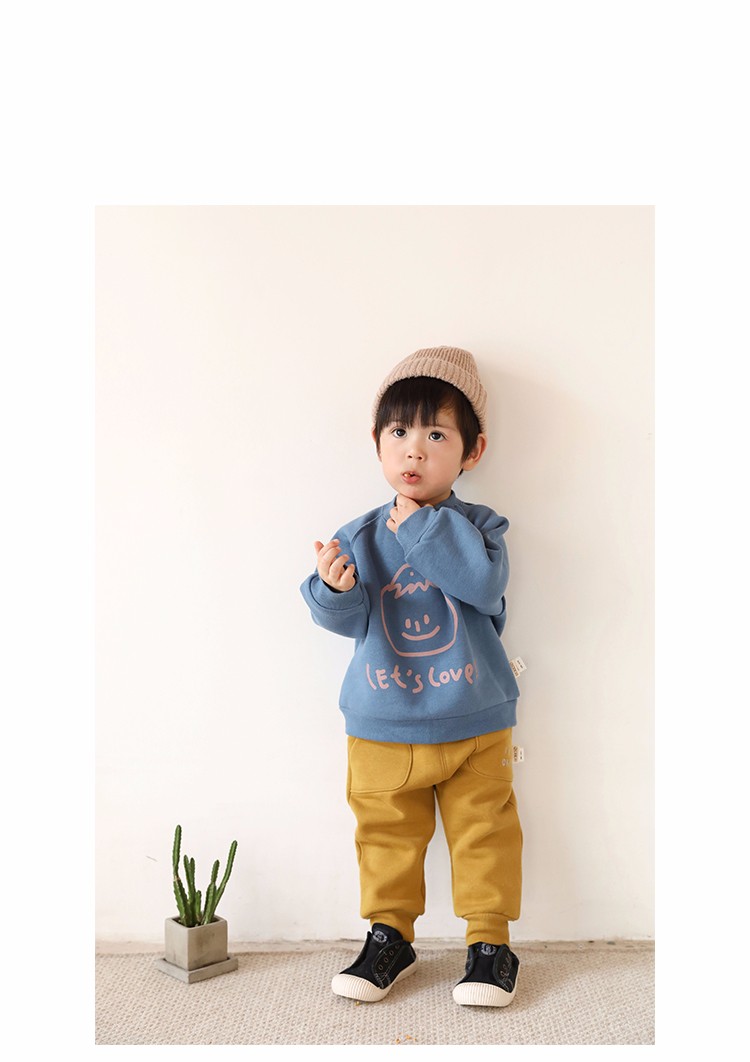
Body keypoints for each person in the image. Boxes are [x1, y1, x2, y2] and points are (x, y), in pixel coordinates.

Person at [300, 346, 522, 1007]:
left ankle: (490, 944)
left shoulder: (479, 528)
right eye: (399, 432)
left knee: (484, 833)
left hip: (475, 716)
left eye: (436, 435)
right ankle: (388, 936)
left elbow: (482, 586)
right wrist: (334, 589)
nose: (414, 450)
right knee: (385, 837)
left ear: (472, 451)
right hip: (383, 721)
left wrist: (424, 528)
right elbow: (345, 619)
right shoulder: (360, 534)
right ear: (377, 442)